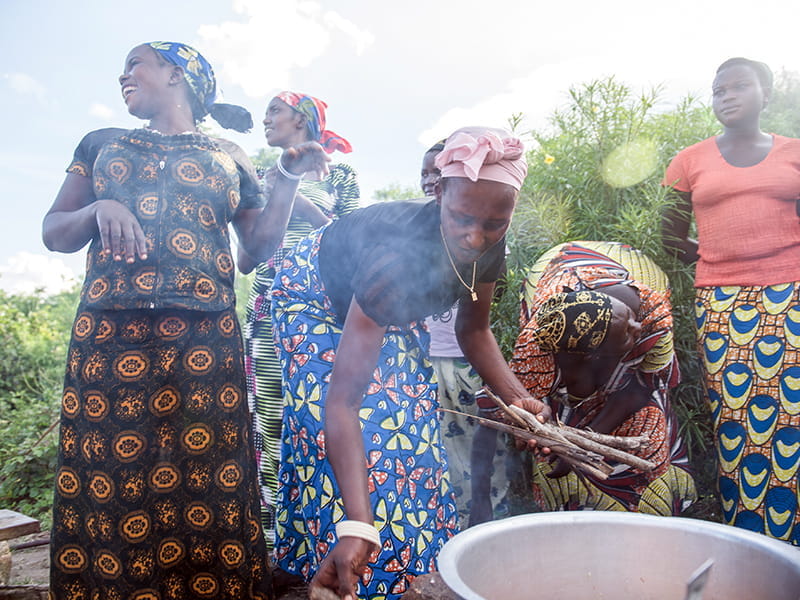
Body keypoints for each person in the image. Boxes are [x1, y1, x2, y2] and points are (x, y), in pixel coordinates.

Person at [42, 41, 329, 598]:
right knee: (114, 474)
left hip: (207, 333)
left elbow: (256, 250)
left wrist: (287, 181)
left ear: (176, 75)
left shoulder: (229, 156)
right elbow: (55, 232)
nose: (123, 74)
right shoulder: (101, 144)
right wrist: (98, 208)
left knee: (209, 474)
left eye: (136, 64)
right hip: (109, 332)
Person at [270, 127, 550, 599]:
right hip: (313, 298)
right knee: (369, 431)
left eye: (494, 225)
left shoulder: (487, 246)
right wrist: (359, 521)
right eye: (462, 217)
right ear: (439, 193)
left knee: (413, 434)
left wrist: (522, 401)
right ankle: (338, 566)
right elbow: (343, 403)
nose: (475, 237)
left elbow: (474, 331)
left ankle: (412, 578)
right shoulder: (395, 261)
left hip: (379, 304)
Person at [662, 57, 800, 545]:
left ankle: (793, 535)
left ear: (766, 92)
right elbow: (670, 235)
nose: (727, 96)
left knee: (793, 412)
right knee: (734, 415)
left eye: (739, 86)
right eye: (718, 90)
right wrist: (723, 256)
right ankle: (747, 537)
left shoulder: (794, 154)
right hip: (722, 302)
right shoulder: (690, 160)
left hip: (791, 295)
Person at [238, 92, 360, 553]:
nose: (265, 119)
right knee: (269, 421)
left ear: (302, 120)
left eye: (274, 111)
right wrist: (277, 189)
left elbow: (354, 242)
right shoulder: (257, 176)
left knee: (319, 418)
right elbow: (246, 260)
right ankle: (275, 542)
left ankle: (325, 537)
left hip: (321, 315)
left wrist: (303, 206)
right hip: (268, 312)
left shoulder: (340, 174)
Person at [508, 241, 697, 514]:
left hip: (616, 269)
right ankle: (566, 515)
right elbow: (524, 407)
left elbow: (639, 390)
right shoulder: (536, 348)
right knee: (555, 411)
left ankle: (648, 516)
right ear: (595, 354)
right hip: (553, 278)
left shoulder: (654, 321)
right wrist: (545, 436)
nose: (637, 327)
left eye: (631, 320)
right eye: (627, 333)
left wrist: (581, 445)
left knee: (649, 414)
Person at [420, 140, 512, 526]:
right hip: (425, 361)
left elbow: (477, 323)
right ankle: (447, 532)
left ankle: (491, 527)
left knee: (484, 450)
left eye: (436, 173)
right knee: (437, 451)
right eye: (424, 173)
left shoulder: (481, 237)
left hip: (467, 363)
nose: (428, 181)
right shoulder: (419, 232)